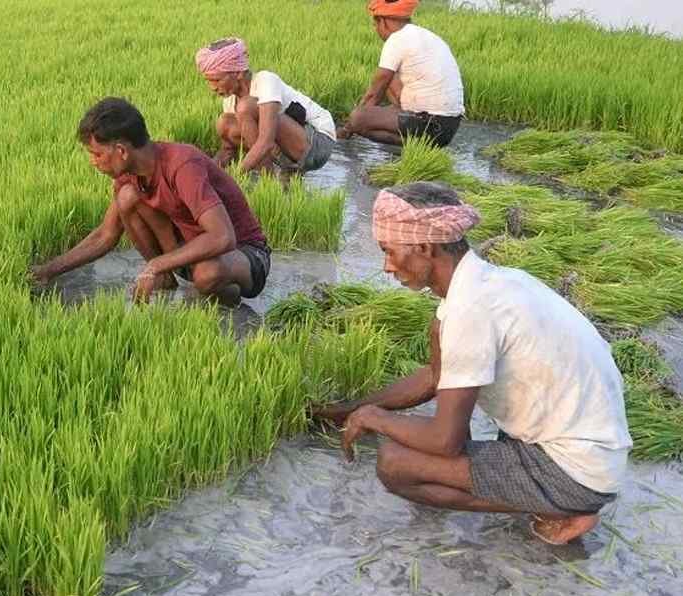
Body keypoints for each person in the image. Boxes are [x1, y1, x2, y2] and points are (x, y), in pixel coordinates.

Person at [315, 182, 631, 545]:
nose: (386, 266)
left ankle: (564, 510)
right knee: (418, 435)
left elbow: (444, 440)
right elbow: (435, 377)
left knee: (394, 464)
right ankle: (550, 496)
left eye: (389, 251)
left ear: (423, 247)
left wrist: (374, 418)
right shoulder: (491, 284)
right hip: (588, 451)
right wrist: (348, 410)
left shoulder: (471, 310)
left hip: (578, 472)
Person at [29, 97, 272, 307]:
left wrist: (156, 264)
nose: (93, 162)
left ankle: (224, 303)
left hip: (243, 254)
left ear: (122, 151)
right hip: (192, 252)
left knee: (208, 273)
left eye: (97, 154)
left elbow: (222, 237)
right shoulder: (129, 176)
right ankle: (168, 279)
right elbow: (105, 235)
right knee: (127, 197)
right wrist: (48, 271)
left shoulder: (182, 165)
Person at [196, 38, 336, 180]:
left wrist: (234, 177)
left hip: (317, 142)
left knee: (246, 107)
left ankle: (268, 181)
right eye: (209, 81)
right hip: (286, 147)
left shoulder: (265, 81)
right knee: (225, 123)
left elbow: (266, 142)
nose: (212, 87)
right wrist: (205, 174)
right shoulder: (230, 100)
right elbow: (228, 149)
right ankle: (274, 179)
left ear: (238, 73)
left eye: (217, 80)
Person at [339, 0, 465, 148]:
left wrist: (347, 129)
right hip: (449, 127)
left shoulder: (396, 39)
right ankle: (418, 145)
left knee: (358, 118)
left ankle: (416, 147)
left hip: (429, 123)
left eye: (375, 24)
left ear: (383, 21)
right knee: (390, 78)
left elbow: (373, 95)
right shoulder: (427, 35)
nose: (376, 30)